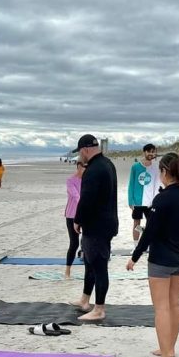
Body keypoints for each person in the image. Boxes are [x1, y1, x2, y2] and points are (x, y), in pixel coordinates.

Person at [126, 152, 179, 357]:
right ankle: (170, 348)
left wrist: (134, 257)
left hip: (162, 258)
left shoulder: (162, 199)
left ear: (166, 171)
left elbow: (150, 233)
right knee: (175, 303)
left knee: (162, 308)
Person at [70, 134, 118, 321]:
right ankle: (84, 300)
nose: (80, 157)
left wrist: (77, 220)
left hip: (97, 226)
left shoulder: (93, 170)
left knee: (98, 266)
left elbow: (86, 200)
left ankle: (99, 309)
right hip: (107, 222)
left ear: (85, 150)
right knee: (89, 263)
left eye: (80, 152)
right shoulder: (108, 164)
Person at [128, 143, 161, 241]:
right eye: (149, 151)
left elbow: (157, 184)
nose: (151, 154)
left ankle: (148, 245)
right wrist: (130, 201)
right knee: (136, 223)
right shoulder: (135, 167)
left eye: (153, 152)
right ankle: (135, 246)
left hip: (150, 202)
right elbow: (131, 184)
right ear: (144, 152)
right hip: (137, 201)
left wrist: (155, 200)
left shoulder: (155, 168)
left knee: (151, 224)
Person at [64, 159, 85, 280]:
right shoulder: (70, 180)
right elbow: (77, 196)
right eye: (83, 167)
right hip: (72, 215)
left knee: (88, 242)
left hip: (86, 215)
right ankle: (67, 271)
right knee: (74, 243)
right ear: (78, 167)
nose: (85, 169)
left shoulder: (88, 180)